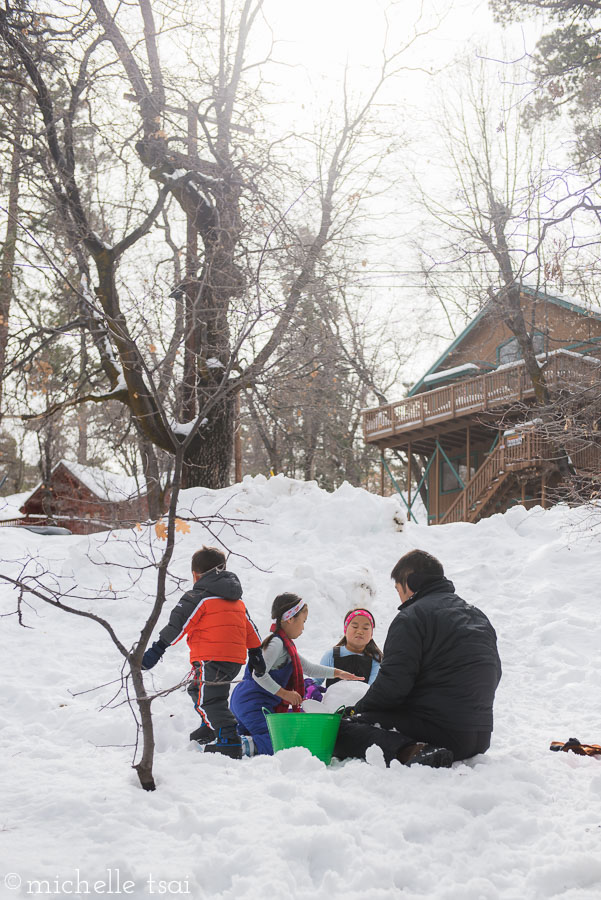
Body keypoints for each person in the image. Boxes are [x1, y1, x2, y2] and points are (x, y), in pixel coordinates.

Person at [334, 549, 502, 769]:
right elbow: (495, 672)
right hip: (479, 737)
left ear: (411, 582)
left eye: (398, 589)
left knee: (341, 729)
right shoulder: (477, 615)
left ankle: (412, 750)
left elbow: (393, 685)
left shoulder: (412, 617)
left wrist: (358, 710)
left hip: (441, 733)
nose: (400, 597)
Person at [141, 545, 265, 759]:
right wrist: (256, 653)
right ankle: (210, 727)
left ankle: (228, 740)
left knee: (209, 700)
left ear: (195, 574)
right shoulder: (236, 600)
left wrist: (158, 648)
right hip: (233, 659)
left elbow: (179, 624)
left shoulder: (198, 596)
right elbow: (249, 627)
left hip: (211, 658)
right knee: (198, 691)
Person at [230, 593, 365, 756]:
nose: (303, 627)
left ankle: (234, 742)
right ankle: (236, 748)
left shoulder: (286, 646)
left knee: (260, 735)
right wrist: (284, 694)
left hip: (253, 702)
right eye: (303, 621)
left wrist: (339, 673)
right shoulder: (276, 644)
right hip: (252, 702)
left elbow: (308, 667)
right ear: (290, 619)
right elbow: (258, 674)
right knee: (279, 741)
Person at [307, 608, 382, 700]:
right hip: (333, 708)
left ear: (371, 635)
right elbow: (317, 680)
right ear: (345, 630)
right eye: (355, 627)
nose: (360, 631)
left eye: (365, 628)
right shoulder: (332, 655)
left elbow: (373, 687)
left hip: (362, 707)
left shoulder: (376, 659)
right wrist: (310, 688)